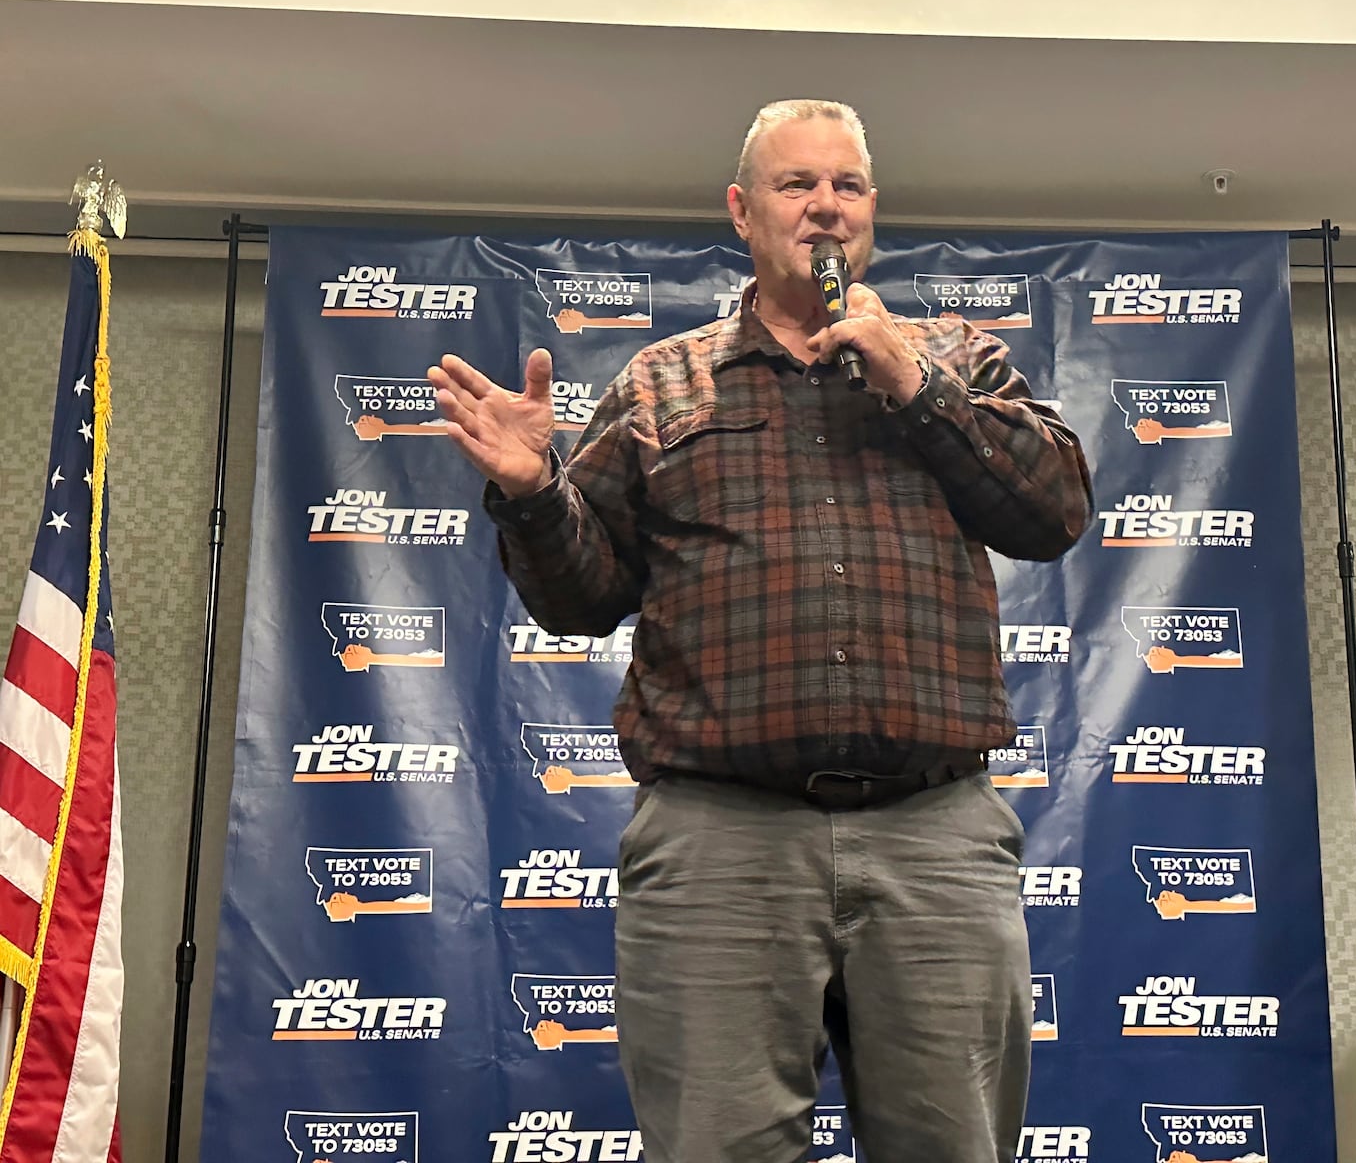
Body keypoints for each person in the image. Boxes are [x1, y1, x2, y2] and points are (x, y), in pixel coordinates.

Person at [429, 98, 1092, 1163]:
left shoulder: (954, 356)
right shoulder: (658, 382)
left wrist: (918, 389)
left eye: (847, 186)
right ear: (743, 211)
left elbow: (1053, 511)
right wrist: (532, 492)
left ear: (871, 212)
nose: (825, 207)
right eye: (797, 185)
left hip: (934, 838)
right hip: (719, 843)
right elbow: (582, 595)